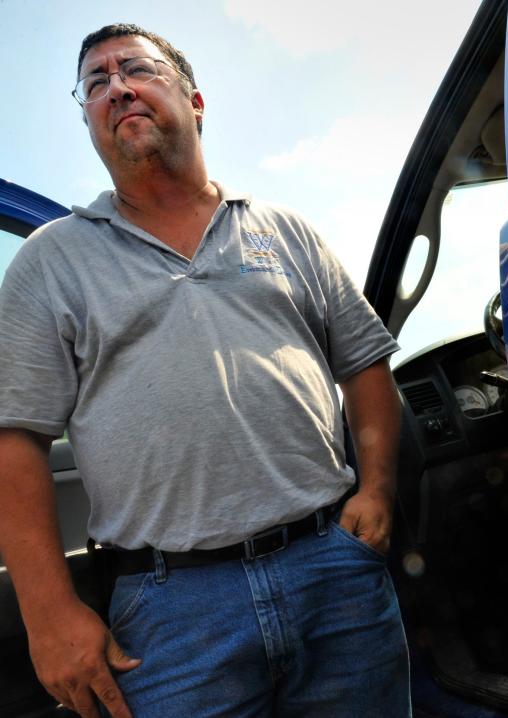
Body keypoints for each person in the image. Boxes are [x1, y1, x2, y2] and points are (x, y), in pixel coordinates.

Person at [0, 24, 410, 718]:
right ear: (90, 122)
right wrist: (48, 613)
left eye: (135, 69)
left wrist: (377, 489)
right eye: (95, 84)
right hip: (171, 611)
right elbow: (16, 442)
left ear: (194, 99)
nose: (116, 87)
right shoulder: (49, 260)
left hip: (332, 572)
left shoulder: (285, 230)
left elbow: (365, 364)